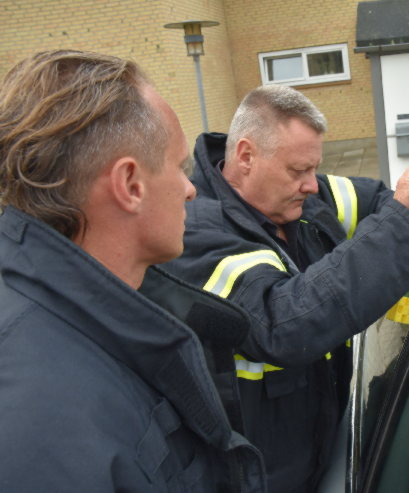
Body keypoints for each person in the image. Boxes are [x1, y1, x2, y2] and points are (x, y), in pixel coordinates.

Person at [162, 84, 409, 492]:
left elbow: (380, 202)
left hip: (318, 459)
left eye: (314, 169)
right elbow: (281, 322)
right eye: (298, 170)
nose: (313, 185)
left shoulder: (299, 197)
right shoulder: (195, 233)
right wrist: (405, 230)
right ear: (245, 156)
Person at [0, 50, 264, 492]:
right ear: (129, 185)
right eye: (179, 167)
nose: (190, 188)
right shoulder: (44, 423)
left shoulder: (66, 315)